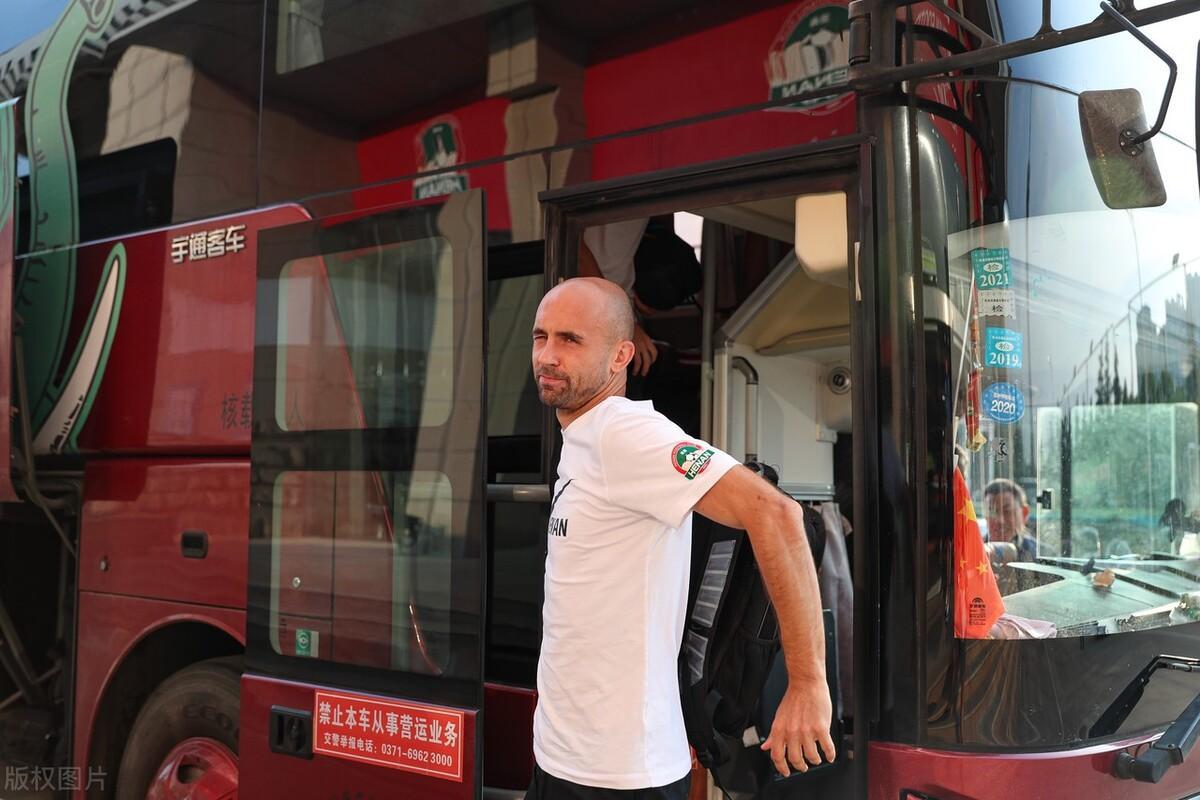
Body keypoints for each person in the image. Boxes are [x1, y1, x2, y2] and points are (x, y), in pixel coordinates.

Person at [527, 277, 833, 799]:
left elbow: (778, 515)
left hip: (620, 777)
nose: (548, 356)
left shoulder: (625, 433)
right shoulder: (584, 437)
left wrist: (807, 683)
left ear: (621, 355)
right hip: (562, 757)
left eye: (571, 340)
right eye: (541, 337)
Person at [984, 478, 1038, 564]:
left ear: (1024, 513)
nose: (1000, 520)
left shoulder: (1039, 554)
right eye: (992, 512)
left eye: (1007, 511)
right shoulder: (973, 551)